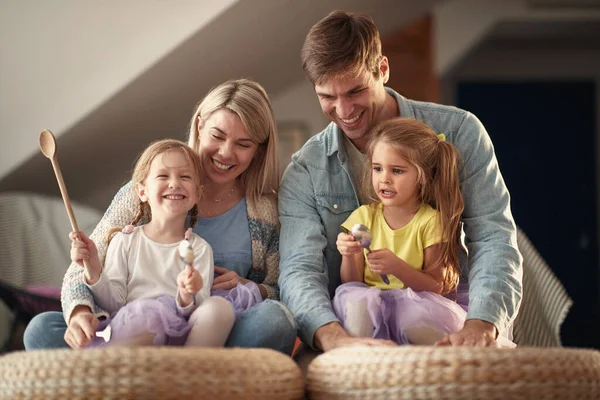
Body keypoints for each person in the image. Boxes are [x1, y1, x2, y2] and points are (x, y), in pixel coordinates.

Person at [278, 11, 522, 353]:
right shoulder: (305, 170)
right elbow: (298, 270)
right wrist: (333, 338)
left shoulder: (459, 132)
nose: (344, 110)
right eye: (327, 97)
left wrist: (482, 323)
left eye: (354, 91)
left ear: (383, 69)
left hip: (448, 316)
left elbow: (493, 236)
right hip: (356, 328)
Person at [24, 79, 297, 354]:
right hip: (134, 330)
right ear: (200, 127)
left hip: (218, 332)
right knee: (42, 329)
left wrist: (253, 288)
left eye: (243, 144)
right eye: (217, 136)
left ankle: (169, 376)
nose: (226, 152)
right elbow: (81, 271)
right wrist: (81, 312)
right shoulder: (142, 194)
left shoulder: (265, 211)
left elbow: (280, 289)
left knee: (275, 321)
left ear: (258, 150)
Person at [333, 118, 515, 347]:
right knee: (355, 305)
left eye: (397, 170)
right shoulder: (363, 217)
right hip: (371, 300)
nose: (384, 178)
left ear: (422, 176)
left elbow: (435, 286)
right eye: (377, 168)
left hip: (418, 301)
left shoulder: (430, 222)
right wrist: (349, 254)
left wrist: (397, 267)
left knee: (413, 318)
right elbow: (351, 283)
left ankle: (433, 365)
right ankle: (367, 361)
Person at [70, 139, 234, 347]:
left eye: (184, 177)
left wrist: (186, 294)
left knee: (220, 308)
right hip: (135, 331)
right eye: (163, 176)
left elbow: (199, 306)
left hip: (183, 334)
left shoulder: (200, 249)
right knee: (146, 320)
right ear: (142, 192)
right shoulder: (125, 241)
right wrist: (93, 267)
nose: (174, 183)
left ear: (197, 193)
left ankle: (190, 371)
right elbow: (114, 304)